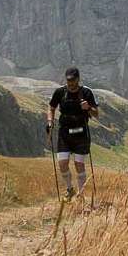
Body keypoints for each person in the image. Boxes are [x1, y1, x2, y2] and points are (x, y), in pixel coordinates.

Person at [46, 67, 99, 200]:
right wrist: (50, 121)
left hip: (81, 133)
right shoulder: (60, 92)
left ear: (78, 80)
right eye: (69, 82)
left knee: (79, 164)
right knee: (62, 163)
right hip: (65, 132)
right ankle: (70, 189)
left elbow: (96, 114)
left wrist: (88, 108)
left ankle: (81, 194)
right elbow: (51, 107)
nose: (70, 85)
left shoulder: (86, 93)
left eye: (73, 82)